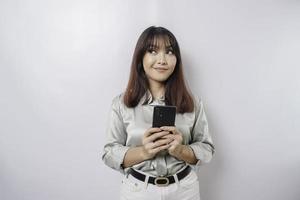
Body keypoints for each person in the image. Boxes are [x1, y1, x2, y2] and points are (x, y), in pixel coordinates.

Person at [102, 26, 215, 200]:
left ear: (176, 59)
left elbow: (206, 148)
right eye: (153, 51)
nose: (162, 59)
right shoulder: (121, 104)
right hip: (138, 191)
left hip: (184, 190)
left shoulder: (193, 103)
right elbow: (109, 153)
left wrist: (180, 150)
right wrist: (143, 152)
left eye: (169, 52)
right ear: (141, 58)